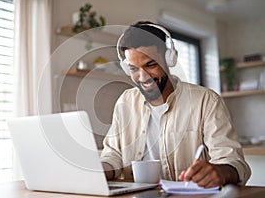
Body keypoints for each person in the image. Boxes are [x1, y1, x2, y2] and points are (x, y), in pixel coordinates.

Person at [100, 21, 251, 188]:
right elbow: (113, 154)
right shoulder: (125, 101)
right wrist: (101, 169)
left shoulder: (205, 101)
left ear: (169, 59)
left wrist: (220, 172)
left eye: (150, 65)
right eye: (134, 69)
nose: (143, 77)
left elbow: (235, 163)